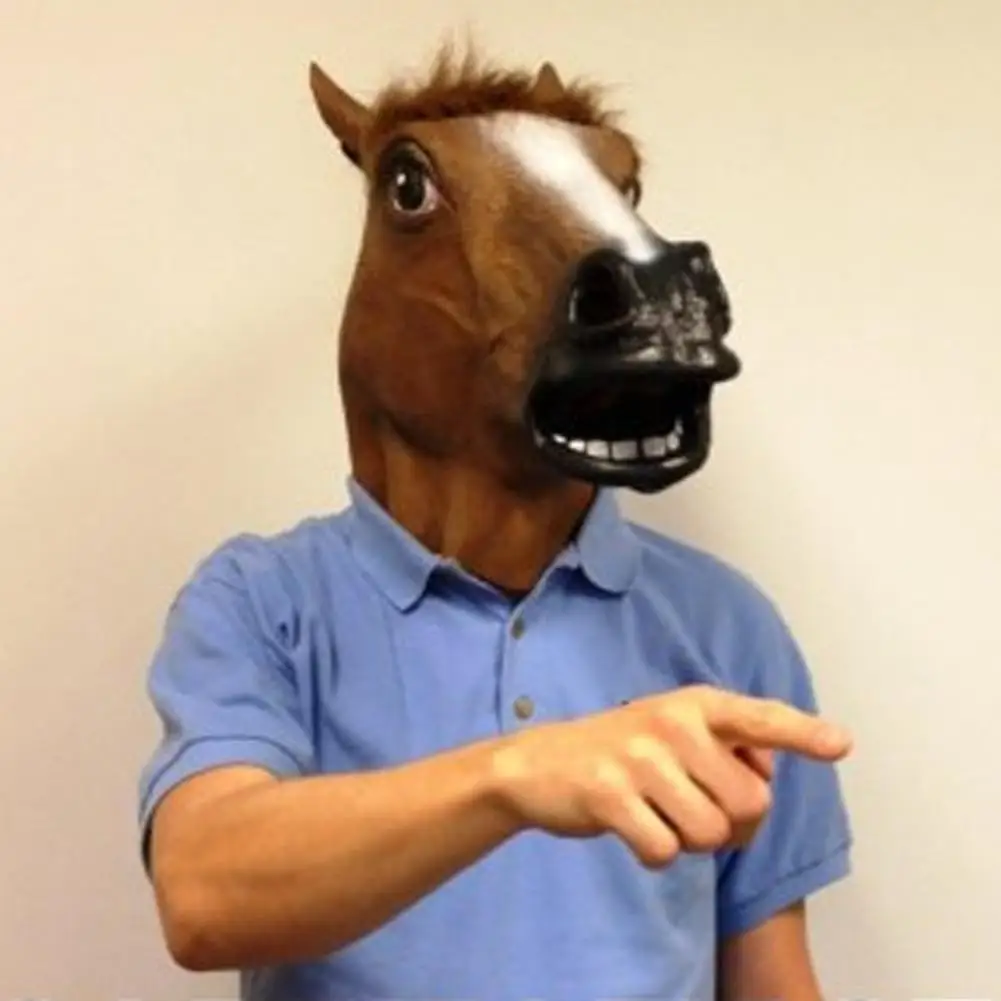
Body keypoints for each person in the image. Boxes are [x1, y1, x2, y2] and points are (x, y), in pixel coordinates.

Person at [137, 50, 853, 1001]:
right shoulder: (264, 601)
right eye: (414, 192)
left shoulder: (723, 625)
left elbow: (770, 978)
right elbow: (204, 892)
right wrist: (518, 774)